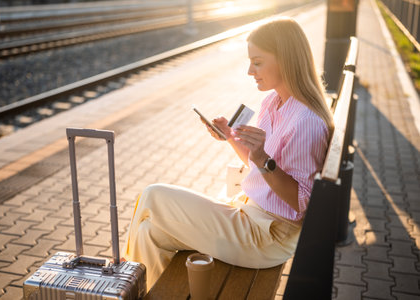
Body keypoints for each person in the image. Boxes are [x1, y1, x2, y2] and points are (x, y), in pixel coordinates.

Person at [121, 16, 334, 290]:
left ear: (286, 60)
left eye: (257, 62)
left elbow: (302, 203)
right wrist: (232, 139)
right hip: (250, 213)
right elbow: (262, 167)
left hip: (267, 236)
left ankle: (121, 280)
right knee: (148, 232)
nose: (249, 71)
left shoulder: (306, 122)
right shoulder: (273, 102)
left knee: (153, 195)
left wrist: (262, 159)